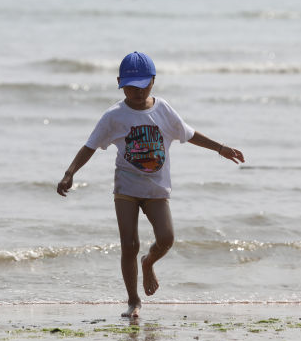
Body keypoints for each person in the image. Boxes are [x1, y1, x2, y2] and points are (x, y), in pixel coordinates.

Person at [56, 51, 244, 318]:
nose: (137, 91)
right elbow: (90, 145)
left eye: (143, 84)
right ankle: (133, 301)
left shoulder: (163, 109)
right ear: (120, 82)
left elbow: (188, 134)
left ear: (153, 81)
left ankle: (149, 263)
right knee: (129, 245)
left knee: (166, 238)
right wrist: (70, 172)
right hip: (126, 189)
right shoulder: (114, 116)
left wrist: (220, 148)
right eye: (131, 86)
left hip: (156, 191)